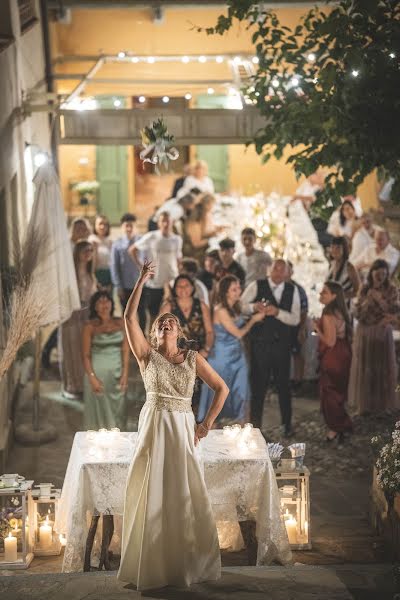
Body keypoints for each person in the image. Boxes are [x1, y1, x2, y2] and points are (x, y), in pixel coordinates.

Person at [117, 260, 228, 590]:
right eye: (161, 323)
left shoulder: (193, 358)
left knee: (184, 494)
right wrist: (141, 280)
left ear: (179, 332)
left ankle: (185, 565)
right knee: (154, 495)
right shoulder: (145, 356)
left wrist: (206, 424)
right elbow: (128, 317)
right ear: (155, 332)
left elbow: (222, 388)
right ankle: (150, 565)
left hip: (182, 429)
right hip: (154, 427)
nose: (166, 324)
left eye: (171, 322)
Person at [241, 259, 301, 436]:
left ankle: (287, 425)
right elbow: (240, 306)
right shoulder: (256, 285)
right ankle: (255, 427)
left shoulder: (292, 290)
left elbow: (296, 318)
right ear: (270, 269)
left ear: (287, 273)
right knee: (258, 386)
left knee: (284, 386)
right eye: (276, 268)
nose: (279, 272)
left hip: (282, 346)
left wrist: (278, 313)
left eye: (283, 269)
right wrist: (254, 306)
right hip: (260, 344)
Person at [198, 275, 264, 425]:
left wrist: (255, 311)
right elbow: (238, 333)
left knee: (241, 389)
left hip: (238, 355)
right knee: (219, 390)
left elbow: (243, 316)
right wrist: (254, 320)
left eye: (239, 288)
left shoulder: (236, 306)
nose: (239, 291)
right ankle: (210, 426)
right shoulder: (220, 310)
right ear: (226, 292)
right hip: (222, 356)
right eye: (234, 289)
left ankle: (242, 424)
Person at [348, 259, 400, 415]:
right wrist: (367, 300)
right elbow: (357, 311)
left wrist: (379, 298)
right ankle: (364, 405)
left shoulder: (391, 289)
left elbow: (394, 310)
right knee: (365, 368)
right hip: (365, 331)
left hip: (381, 332)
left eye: (384, 274)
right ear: (372, 273)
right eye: (378, 273)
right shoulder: (364, 288)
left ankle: (382, 405)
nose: (381, 277)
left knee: (381, 368)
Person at [160, 274, 214, 415]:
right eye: (179, 286)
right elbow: (158, 333)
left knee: (197, 393)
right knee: (177, 393)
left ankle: (194, 425)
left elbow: (209, 332)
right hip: (175, 357)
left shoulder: (201, 305)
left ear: (192, 288)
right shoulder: (168, 306)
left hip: (198, 355)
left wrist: (206, 349)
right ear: (174, 289)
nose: (183, 289)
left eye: (186, 285)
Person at [82, 291, 129, 429]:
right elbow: (85, 355)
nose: (104, 304)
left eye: (107, 300)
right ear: (95, 307)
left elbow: (126, 350)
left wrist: (125, 373)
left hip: (117, 374)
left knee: (119, 412)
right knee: (98, 415)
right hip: (97, 375)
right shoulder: (89, 327)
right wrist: (92, 378)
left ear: (112, 304)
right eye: (100, 302)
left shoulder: (121, 323)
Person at [313, 281, 353, 442]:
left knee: (329, 392)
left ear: (334, 296)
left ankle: (336, 428)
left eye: (325, 292)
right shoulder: (340, 311)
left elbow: (330, 341)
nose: (321, 294)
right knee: (338, 392)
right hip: (343, 353)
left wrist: (317, 329)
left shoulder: (329, 314)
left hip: (333, 356)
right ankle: (339, 426)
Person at [60, 240, 97, 398]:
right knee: (71, 350)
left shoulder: (90, 273)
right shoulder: (69, 274)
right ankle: (72, 386)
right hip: (72, 316)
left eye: (90, 250)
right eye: (85, 250)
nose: (88, 253)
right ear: (77, 253)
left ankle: (84, 384)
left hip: (86, 317)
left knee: (84, 351)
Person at [129, 212, 182, 321]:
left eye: (168, 221)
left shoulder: (177, 239)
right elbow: (132, 250)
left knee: (171, 316)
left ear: (172, 222)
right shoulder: (151, 236)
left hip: (172, 280)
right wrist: (143, 269)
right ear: (159, 223)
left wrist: (179, 275)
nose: (166, 223)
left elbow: (178, 259)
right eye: (163, 221)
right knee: (154, 316)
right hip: (155, 282)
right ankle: (152, 337)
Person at [110, 213, 145, 328]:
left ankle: (143, 338)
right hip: (125, 286)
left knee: (142, 313)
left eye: (132, 225)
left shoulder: (142, 241)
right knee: (127, 314)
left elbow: (147, 260)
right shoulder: (117, 244)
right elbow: (114, 266)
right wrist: (118, 286)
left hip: (141, 285)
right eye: (126, 226)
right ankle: (128, 339)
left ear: (136, 226)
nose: (129, 228)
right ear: (122, 227)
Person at [286, 261, 309, 394]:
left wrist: (301, 328)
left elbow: (304, 309)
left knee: (297, 353)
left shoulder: (298, 289)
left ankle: (298, 381)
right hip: (281, 327)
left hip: (295, 325)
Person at [182, 194, 222, 264]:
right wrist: (210, 238)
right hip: (195, 255)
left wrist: (214, 232)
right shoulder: (194, 223)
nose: (210, 212)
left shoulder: (201, 219)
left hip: (202, 250)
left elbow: (204, 232)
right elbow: (196, 244)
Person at [327, 237, 360, 306]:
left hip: (344, 307)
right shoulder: (332, 264)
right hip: (332, 305)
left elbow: (358, 291)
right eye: (332, 247)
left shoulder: (349, 267)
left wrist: (341, 296)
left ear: (344, 249)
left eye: (338, 248)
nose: (334, 250)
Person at [89, 214, 113, 290]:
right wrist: (94, 279)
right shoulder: (91, 240)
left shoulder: (110, 241)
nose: (102, 227)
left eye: (105, 224)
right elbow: (91, 263)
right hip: (96, 275)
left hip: (109, 275)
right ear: (95, 225)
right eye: (100, 224)